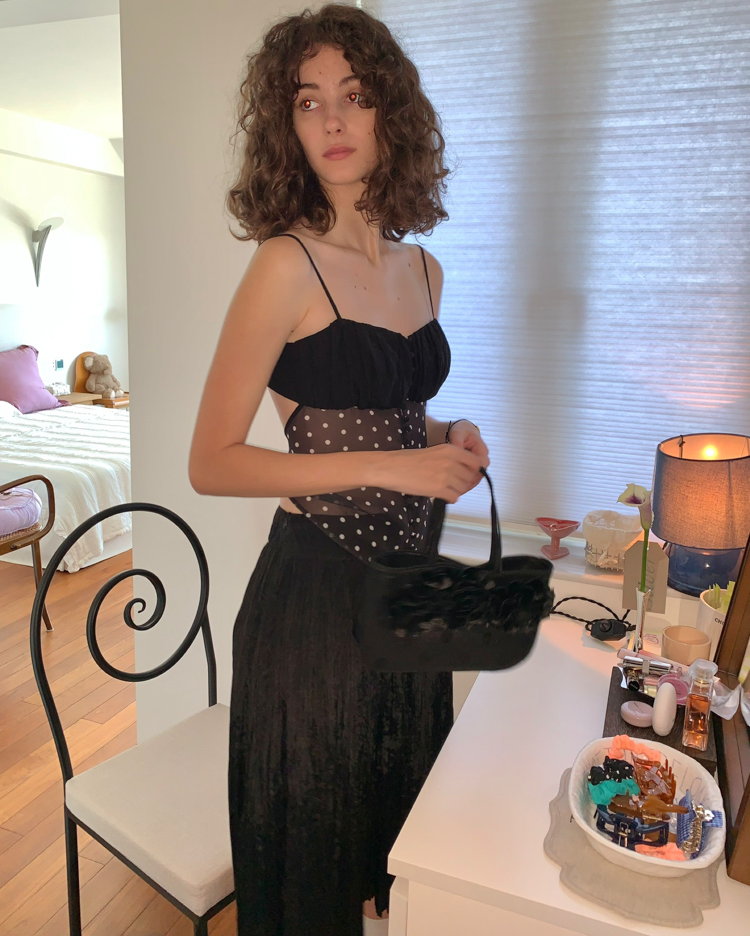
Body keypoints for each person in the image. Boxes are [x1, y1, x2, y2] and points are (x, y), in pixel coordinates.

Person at [188, 5, 489, 934]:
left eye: (353, 97)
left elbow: (383, 412)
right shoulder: (284, 265)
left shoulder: (424, 270)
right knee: (314, 877)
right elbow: (211, 463)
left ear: (390, 110)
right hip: (314, 608)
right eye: (307, 101)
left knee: (393, 854)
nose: (331, 121)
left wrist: (446, 434)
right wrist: (401, 468)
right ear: (287, 124)